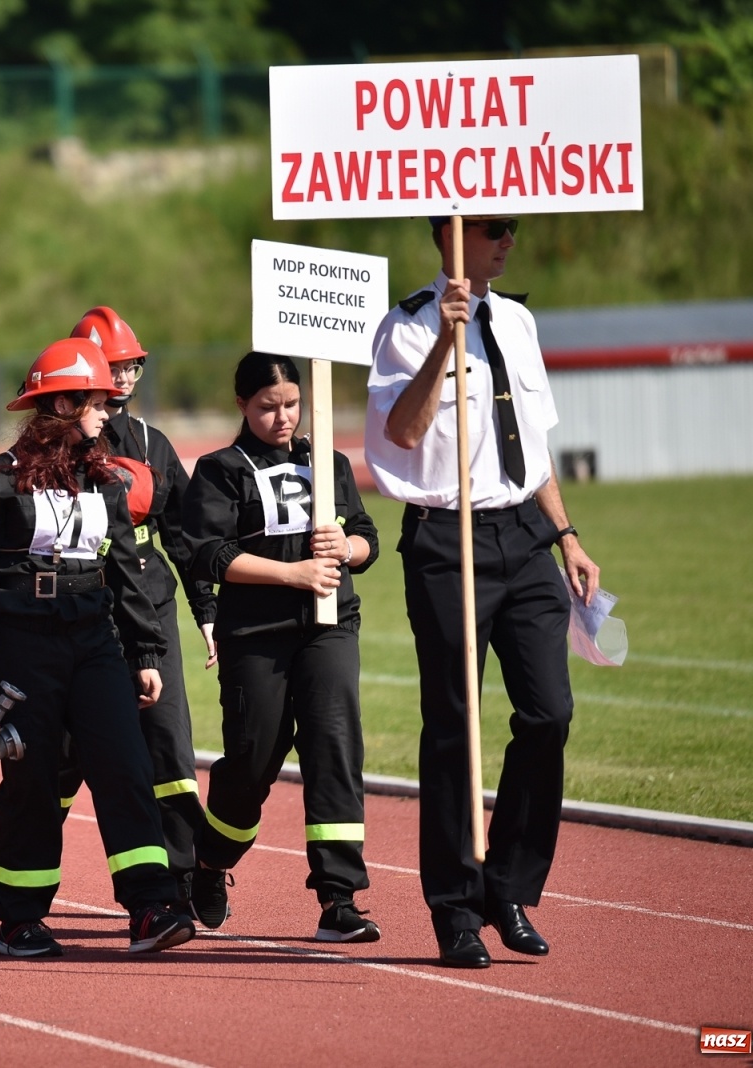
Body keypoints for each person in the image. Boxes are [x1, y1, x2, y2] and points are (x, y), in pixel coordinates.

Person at [365, 215, 601, 969]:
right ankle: (456, 910)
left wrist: (566, 534)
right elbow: (400, 433)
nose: (508, 239)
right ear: (451, 235)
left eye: (512, 227)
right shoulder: (405, 327)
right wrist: (446, 337)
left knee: (549, 712)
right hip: (446, 537)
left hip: (524, 535)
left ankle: (509, 885)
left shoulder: (521, 320)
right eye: (493, 227)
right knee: (454, 725)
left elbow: (534, 447)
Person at [0, 337, 196, 959]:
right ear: (62, 405)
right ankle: (20, 917)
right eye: (96, 402)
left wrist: (147, 653)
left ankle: (151, 906)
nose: (107, 412)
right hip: (24, 648)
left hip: (97, 645)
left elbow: (128, 571)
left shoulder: (107, 481)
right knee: (31, 784)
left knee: (126, 769)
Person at [182, 351, 381, 943]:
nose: (283, 417)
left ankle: (338, 898)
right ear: (242, 404)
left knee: (334, 749)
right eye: (268, 407)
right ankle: (210, 862)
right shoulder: (220, 471)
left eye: (292, 404)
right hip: (256, 639)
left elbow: (368, 538)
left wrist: (346, 549)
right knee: (252, 763)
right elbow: (209, 554)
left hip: (330, 628)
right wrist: (290, 575)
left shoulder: (330, 463)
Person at [62, 306, 216, 910]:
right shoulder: (61, 445)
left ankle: (181, 875)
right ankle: (27, 883)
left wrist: (204, 608)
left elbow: (183, 533)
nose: (124, 378)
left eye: (133, 366)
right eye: (113, 367)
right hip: (80, 611)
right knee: (66, 755)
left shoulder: (152, 442)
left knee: (168, 746)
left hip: (149, 606)